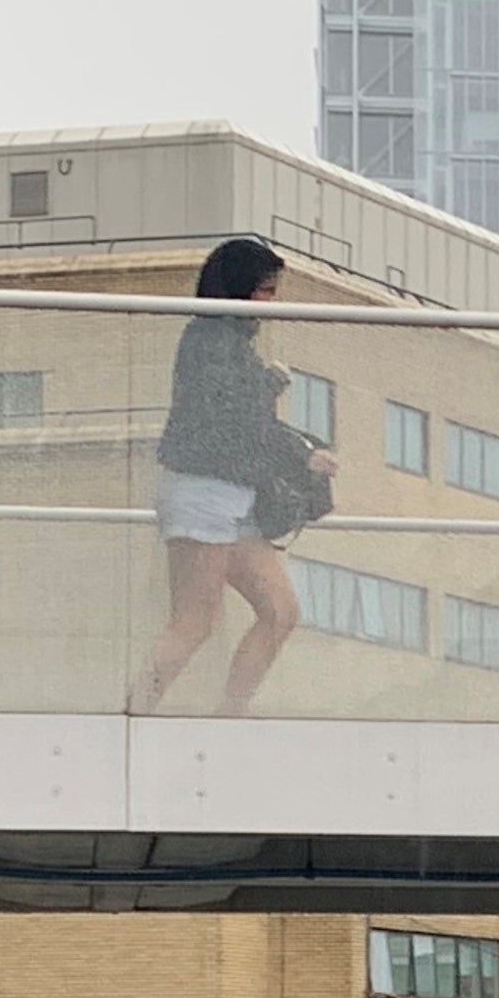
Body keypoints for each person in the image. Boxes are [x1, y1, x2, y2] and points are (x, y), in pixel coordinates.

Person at [131, 237, 334, 717]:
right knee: (194, 621)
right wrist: (280, 411)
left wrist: (301, 450)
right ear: (242, 289)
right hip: (203, 493)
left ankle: (230, 713)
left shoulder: (227, 342)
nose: (271, 301)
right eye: (266, 290)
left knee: (280, 611)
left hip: (233, 498)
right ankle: (135, 714)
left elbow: (241, 420)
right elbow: (229, 419)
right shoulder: (209, 339)